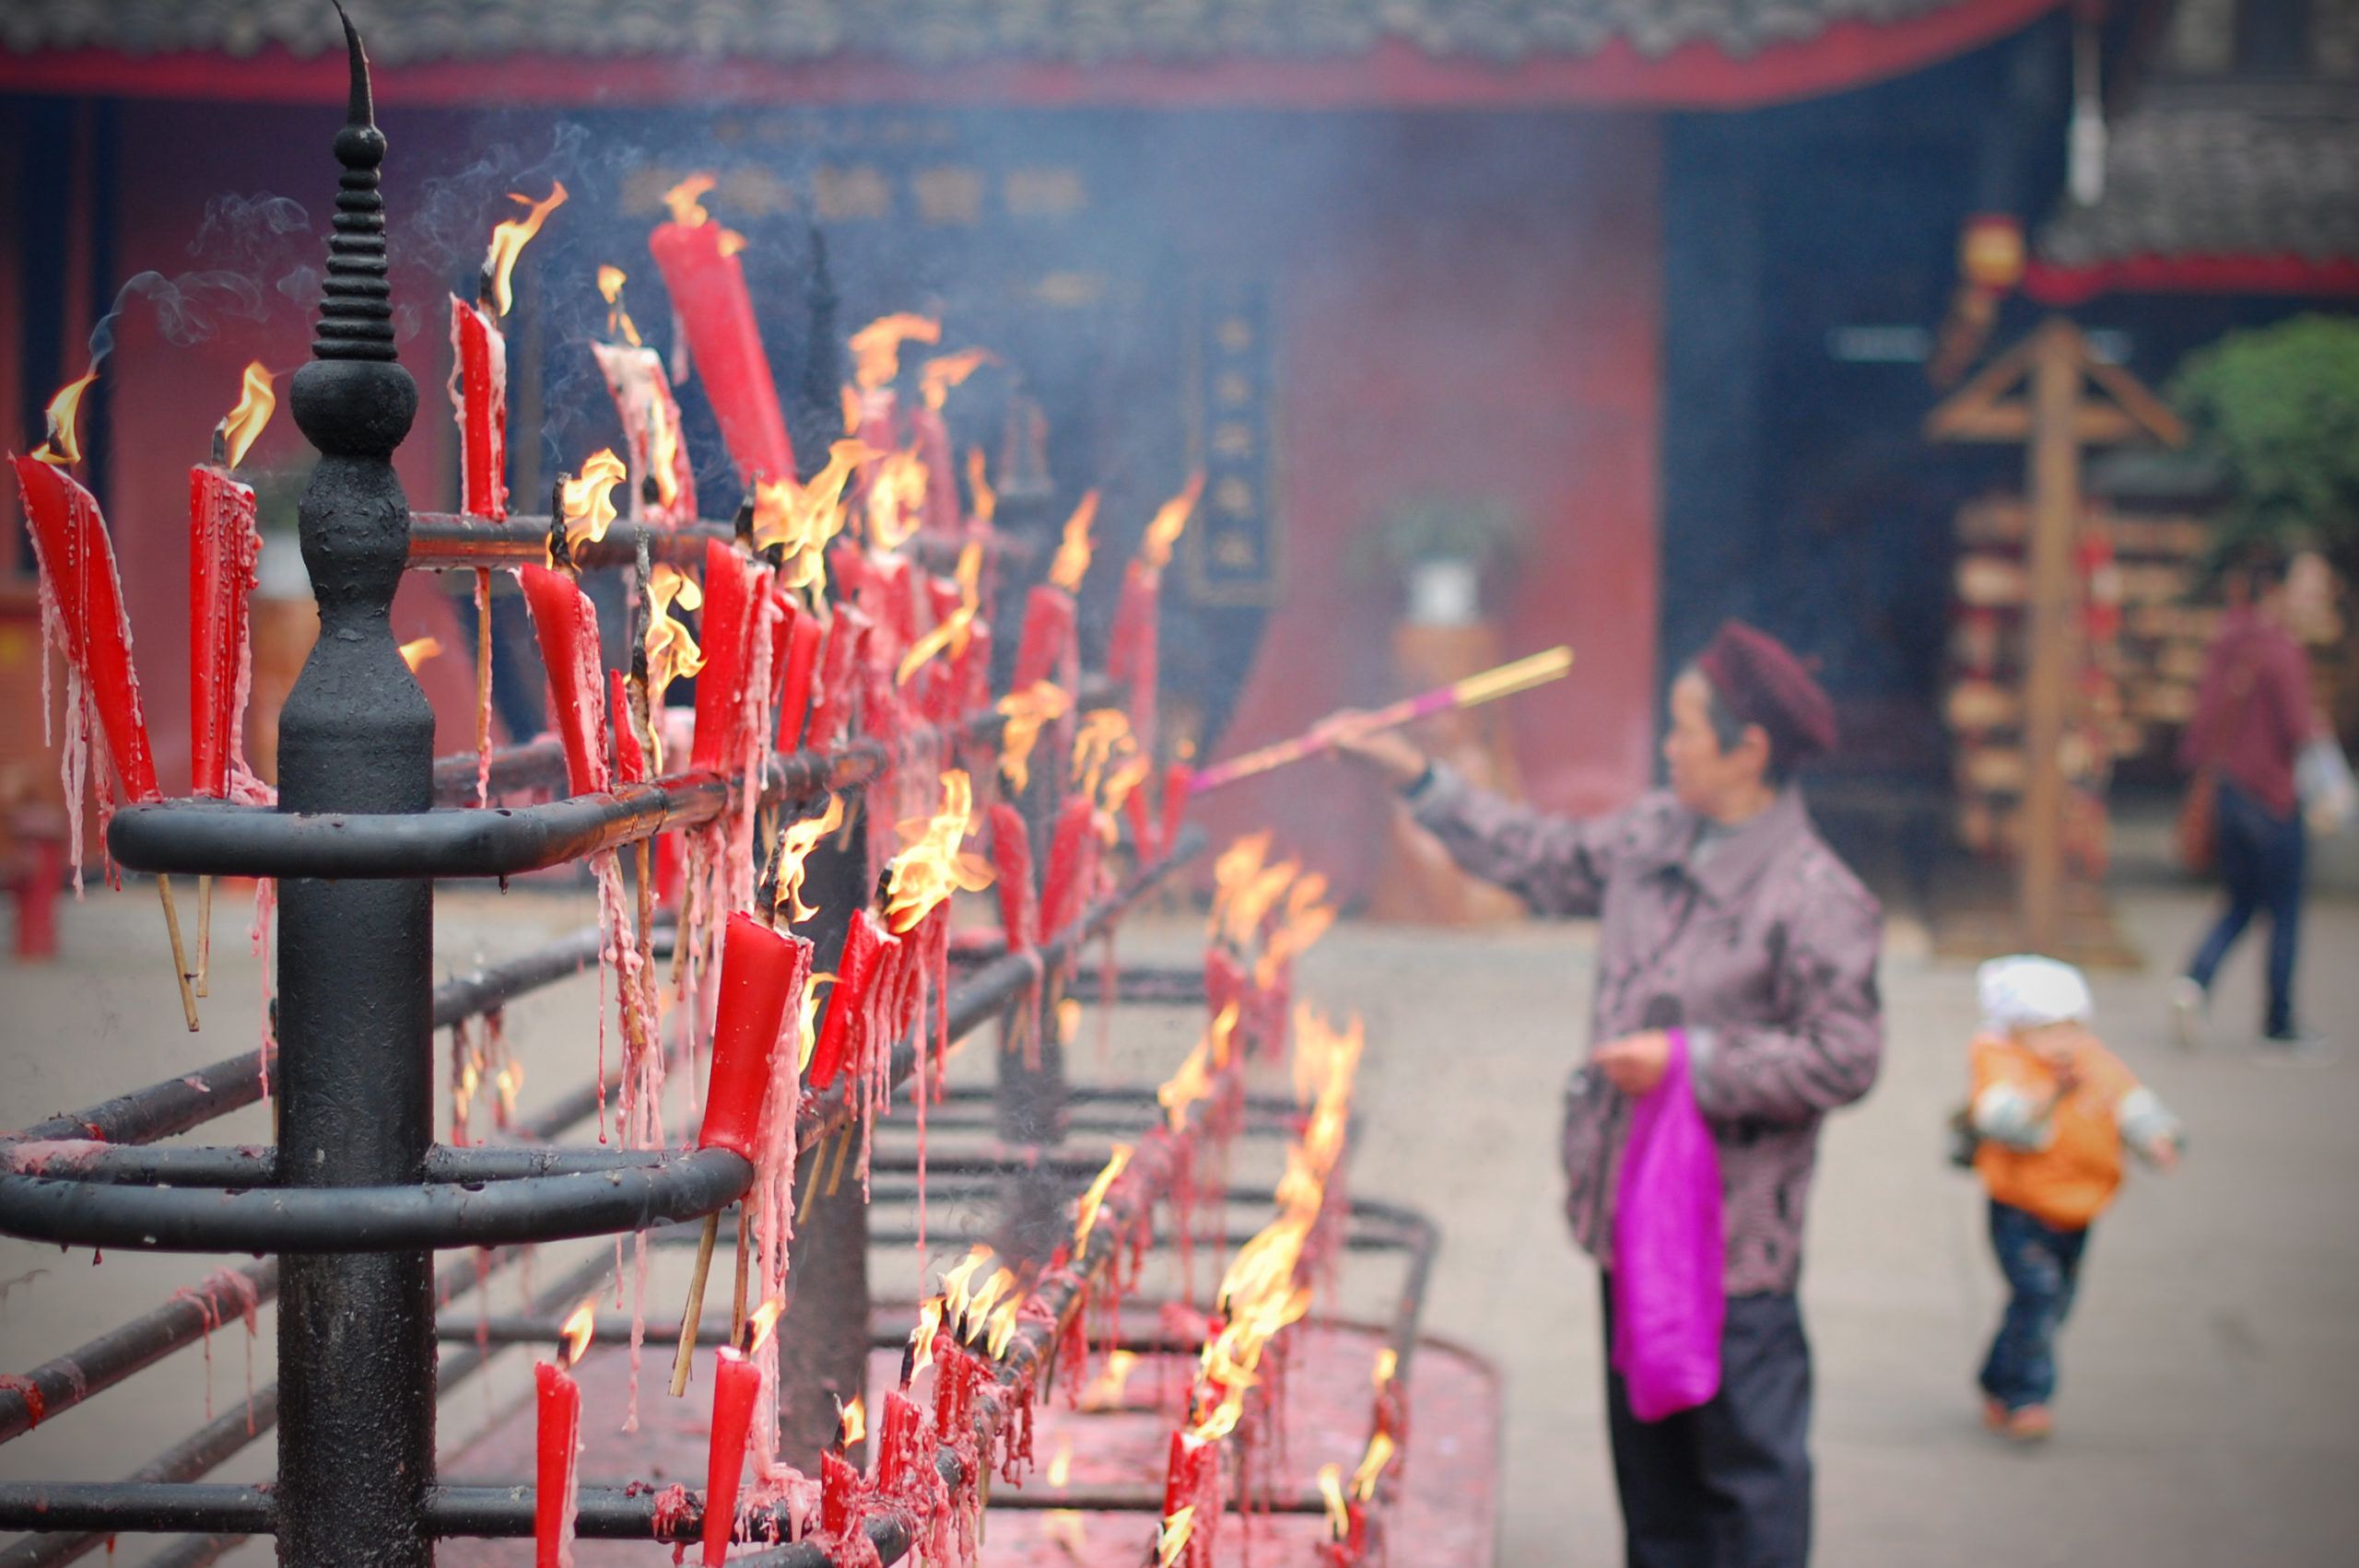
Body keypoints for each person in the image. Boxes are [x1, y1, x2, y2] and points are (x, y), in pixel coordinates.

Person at [1329, 620, 1883, 1568]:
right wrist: (1412, 777)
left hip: (1731, 1244)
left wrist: (1692, 1064)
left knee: (1745, 1483)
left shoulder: (1813, 896)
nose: (1665, 748)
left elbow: (1845, 1055)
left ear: (1749, 750)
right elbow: (1536, 853)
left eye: (1682, 731)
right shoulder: (1655, 834)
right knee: (1654, 1486)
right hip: (1629, 1218)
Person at [1967, 955, 2182, 1441]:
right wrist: (2050, 1100)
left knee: (2051, 1303)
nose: (2062, 1044)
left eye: (2071, 1030)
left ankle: (1997, 1378)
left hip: (2078, 1208)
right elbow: (2001, 1119)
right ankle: (2029, 1398)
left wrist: (2155, 1135)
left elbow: (2129, 1099)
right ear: (2016, 1031)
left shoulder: (2092, 1063)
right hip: (2022, 1208)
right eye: (2047, 1032)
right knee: (2037, 1295)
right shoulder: (2002, 1063)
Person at [2170, 548, 2330, 1050]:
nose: (2317, 600)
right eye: (2309, 589)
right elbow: (2299, 730)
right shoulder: (2284, 651)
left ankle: (2193, 983)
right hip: (2273, 799)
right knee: (2283, 913)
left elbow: (2205, 715)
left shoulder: (2230, 637)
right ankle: (2279, 1022)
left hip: (2228, 791)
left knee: (2240, 904)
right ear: (2277, 590)